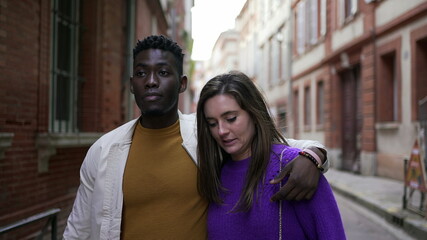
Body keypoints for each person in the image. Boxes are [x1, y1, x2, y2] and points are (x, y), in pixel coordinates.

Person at [63, 35, 329, 239]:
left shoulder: (206, 136)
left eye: (163, 72)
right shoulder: (103, 151)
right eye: (142, 73)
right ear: (132, 84)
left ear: (182, 84)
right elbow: (78, 230)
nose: (151, 81)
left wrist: (313, 155)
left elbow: (279, 146)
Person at [196, 71, 346, 239]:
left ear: (253, 114)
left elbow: (332, 234)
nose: (221, 131)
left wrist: (315, 155)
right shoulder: (215, 173)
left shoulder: (297, 167)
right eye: (212, 123)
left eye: (231, 118)